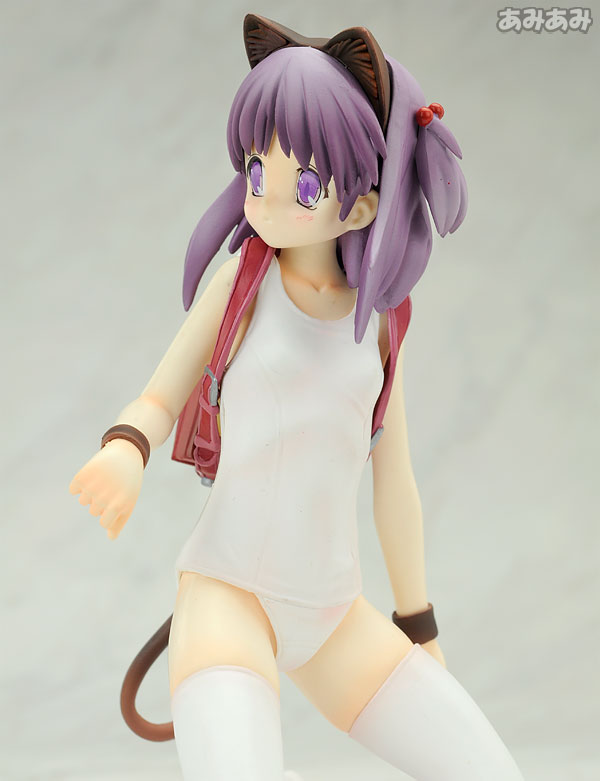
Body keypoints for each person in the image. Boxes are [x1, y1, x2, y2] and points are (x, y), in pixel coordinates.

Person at [70, 14, 524, 781]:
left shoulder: (381, 324)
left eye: (305, 184)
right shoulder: (245, 283)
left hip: (333, 613)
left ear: (365, 201)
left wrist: (418, 625)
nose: (268, 199)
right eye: (257, 171)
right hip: (226, 597)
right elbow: (160, 396)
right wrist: (126, 449)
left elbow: (395, 484)